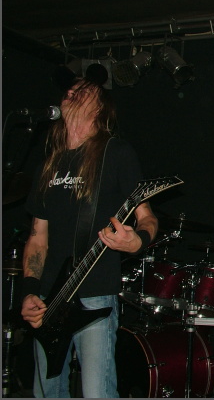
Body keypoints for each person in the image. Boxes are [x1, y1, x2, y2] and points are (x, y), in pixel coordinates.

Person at [20, 76, 159, 398]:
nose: (71, 92)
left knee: (97, 392)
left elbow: (148, 218)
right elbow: (37, 239)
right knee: (46, 393)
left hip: (95, 292)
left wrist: (137, 241)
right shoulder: (48, 166)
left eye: (83, 92)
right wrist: (29, 292)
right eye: (70, 90)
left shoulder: (116, 153)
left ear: (99, 109)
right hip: (48, 298)